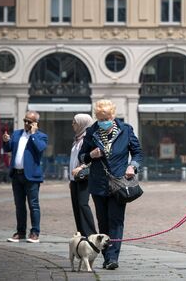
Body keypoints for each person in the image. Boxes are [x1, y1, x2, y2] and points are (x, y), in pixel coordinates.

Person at [79, 100, 142, 270]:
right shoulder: (92, 132)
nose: (103, 121)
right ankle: (107, 255)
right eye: (100, 118)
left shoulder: (126, 130)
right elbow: (82, 156)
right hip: (98, 184)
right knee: (103, 221)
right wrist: (90, 155)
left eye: (106, 118)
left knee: (116, 221)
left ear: (112, 116)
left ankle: (113, 258)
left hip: (119, 184)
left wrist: (132, 166)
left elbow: (137, 152)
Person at [3, 110, 48, 243]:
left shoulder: (41, 136)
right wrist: (5, 141)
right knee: (19, 205)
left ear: (35, 123)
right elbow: (8, 148)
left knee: (33, 205)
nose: (26, 123)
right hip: (16, 175)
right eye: (25, 120)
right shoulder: (17, 134)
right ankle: (20, 232)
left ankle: (35, 233)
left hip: (31, 177)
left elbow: (40, 149)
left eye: (29, 121)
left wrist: (33, 134)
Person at [69, 113, 96, 237]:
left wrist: (81, 167)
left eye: (75, 122)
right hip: (75, 178)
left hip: (84, 177)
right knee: (76, 206)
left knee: (83, 204)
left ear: (82, 124)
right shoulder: (77, 139)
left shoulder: (88, 139)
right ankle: (81, 232)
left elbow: (91, 158)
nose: (72, 125)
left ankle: (90, 233)